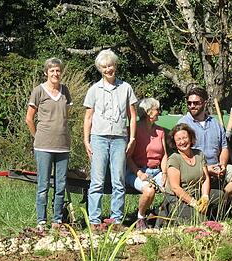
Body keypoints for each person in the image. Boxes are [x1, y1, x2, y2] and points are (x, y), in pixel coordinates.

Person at [83, 49, 138, 226]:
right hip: (98, 137)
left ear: (115, 66)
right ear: (100, 69)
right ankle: (94, 220)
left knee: (118, 181)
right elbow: (88, 117)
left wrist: (132, 138)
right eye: (105, 67)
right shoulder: (94, 90)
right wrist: (86, 140)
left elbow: (132, 115)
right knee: (97, 181)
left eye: (111, 65)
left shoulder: (126, 88)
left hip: (119, 138)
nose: (108, 69)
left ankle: (116, 220)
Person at [177, 86, 232, 209]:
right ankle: (219, 206)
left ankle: (222, 205)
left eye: (196, 103)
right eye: (189, 103)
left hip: (217, 167)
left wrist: (223, 165)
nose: (192, 106)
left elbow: (224, 147)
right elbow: (182, 154)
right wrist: (206, 169)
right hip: (196, 170)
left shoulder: (215, 123)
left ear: (204, 103)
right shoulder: (183, 124)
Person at [25, 57, 73, 230]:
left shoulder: (65, 91)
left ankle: (57, 219)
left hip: (63, 145)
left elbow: (66, 114)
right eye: (52, 71)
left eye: (58, 70)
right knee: (43, 185)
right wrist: (36, 136)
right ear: (46, 72)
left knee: (60, 185)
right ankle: (41, 220)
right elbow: (29, 118)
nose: (55, 73)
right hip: (43, 145)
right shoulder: (38, 91)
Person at [160, 123, 222, 225]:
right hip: (178, 198)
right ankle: (170, 216)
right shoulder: (174, 159)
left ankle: (212, 215)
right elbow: (175, 187)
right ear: (174, 143)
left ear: (190, 138)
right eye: (178, 139)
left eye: (185, 138)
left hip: (196, 192)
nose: (182, 141)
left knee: (221, 196)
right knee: (199, 221)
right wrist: (193, 203)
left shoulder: (199, 154)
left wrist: (205, 196)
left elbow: (205, 178)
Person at [125, 97, 167, 230]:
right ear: (148, 112)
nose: (159, 112)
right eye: (156, 109)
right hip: (137, 171)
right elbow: (127, 157)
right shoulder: (135, 130)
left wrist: (165, 173)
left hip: (157, 171)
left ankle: (160, 214)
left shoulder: (160, 131)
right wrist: (139, 173)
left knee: (173, 187)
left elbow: (165, 154)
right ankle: (140, 218)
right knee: (149, 191)